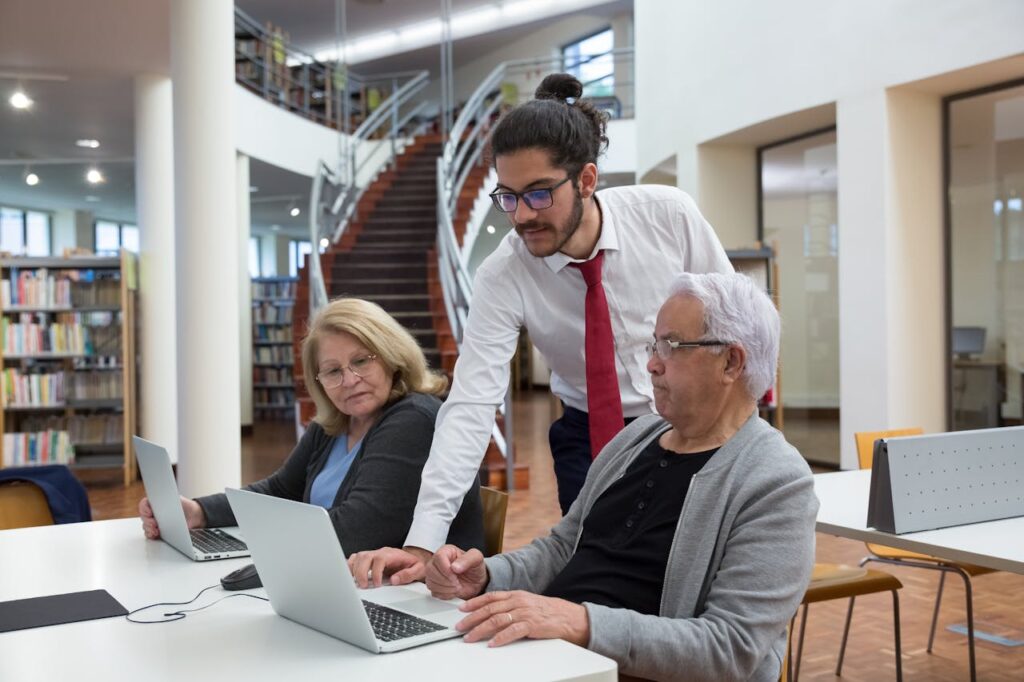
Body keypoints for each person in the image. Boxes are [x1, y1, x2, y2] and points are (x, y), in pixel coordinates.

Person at [353, 272, 817, 682]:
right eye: (653, 345)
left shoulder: (775, 480)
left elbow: (729, 649)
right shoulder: (637, 438)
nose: (652, 363)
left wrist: (580, 622)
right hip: (555, 655)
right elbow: (562, 547)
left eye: (671, 346)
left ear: (731, 363)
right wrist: (485, 577)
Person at [383, 72, 734, 577]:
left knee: (696, 575)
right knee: (598, 576)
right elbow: (472, 403)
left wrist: (744, 434)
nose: (522, 215)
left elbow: (739, 329)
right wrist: (423, 541)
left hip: (692, 421)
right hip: (587, 434)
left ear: (587, 180)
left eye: (539, 193)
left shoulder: (667, 217)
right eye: (507, 197)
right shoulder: (504, 273)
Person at [138, 297, 484, 554]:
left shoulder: (414, 419)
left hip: (420, 601)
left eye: (362, 361)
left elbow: (355, 529)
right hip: (351, 584)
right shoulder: (335, 423)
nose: (350, 380)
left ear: (392, 356)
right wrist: (200, 511)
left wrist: (258, 543)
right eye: (333, 371)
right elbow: (280, 491)